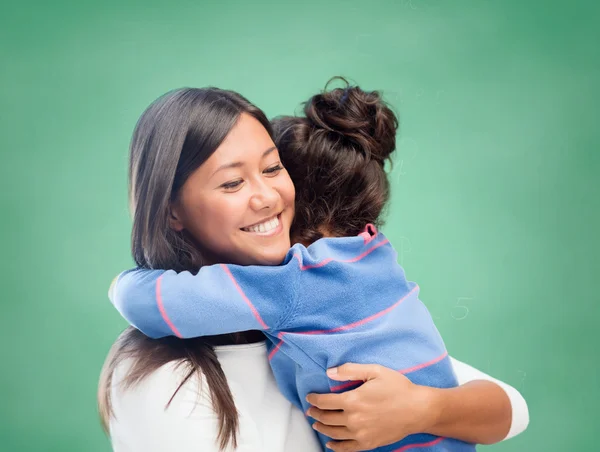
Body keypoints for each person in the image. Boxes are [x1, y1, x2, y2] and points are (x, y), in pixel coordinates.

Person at [98, 86, 529, 452]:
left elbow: (511, 407)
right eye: (232, 182)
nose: (266, 196)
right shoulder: (161, 373)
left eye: (272, 168)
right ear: (172, 210)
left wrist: (422, 408)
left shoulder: (302, 295)